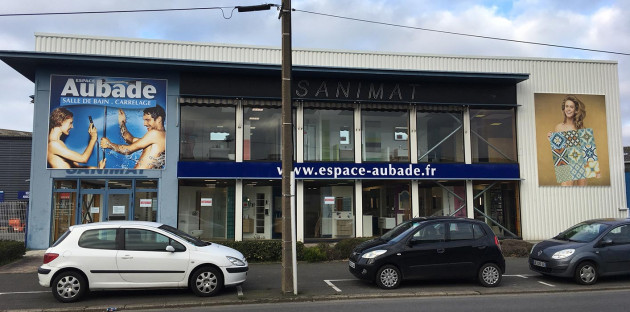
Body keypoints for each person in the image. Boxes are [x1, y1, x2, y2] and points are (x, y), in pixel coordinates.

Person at [100, 106, 166, 169]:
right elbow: (130, 139)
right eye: (144, 120)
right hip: (143, 179)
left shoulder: (155, 134)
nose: (144, 124)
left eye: (148, 120)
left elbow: (127, 150)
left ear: (159, 119)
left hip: (141, 179)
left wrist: (109, 145)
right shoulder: (160, 137)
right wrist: (122, 123)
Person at [548, 95, 587, 186]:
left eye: (571, 107)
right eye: (567, 106)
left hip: (579, 162)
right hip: (565, 164)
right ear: (564, 109)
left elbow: (585, 150)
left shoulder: (580, 127)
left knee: (583, 193)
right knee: (566, 192)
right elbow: (559, 151)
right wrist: (551, 140)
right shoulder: (559, 127)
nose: (568, 109)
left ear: (576, 110)